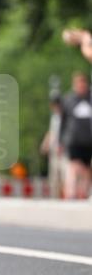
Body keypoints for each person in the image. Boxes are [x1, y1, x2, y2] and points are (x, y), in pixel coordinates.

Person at [59, 71, 92, 199]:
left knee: (86, 168)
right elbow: (63, 122)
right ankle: (71, 193)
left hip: (88, 140)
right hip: (73, 140)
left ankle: (83, 192)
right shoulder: (68, 99)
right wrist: (60, 141)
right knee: (74, 166)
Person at [39, 90, 64, 199]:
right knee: (54, 177)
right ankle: (55, 198)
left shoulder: (66, 116)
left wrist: (62, 145)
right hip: (54, 151)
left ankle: (67, 198)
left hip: (64, 152)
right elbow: (52, 131)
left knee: (64, 176)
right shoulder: (54, 117)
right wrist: (45, 143)